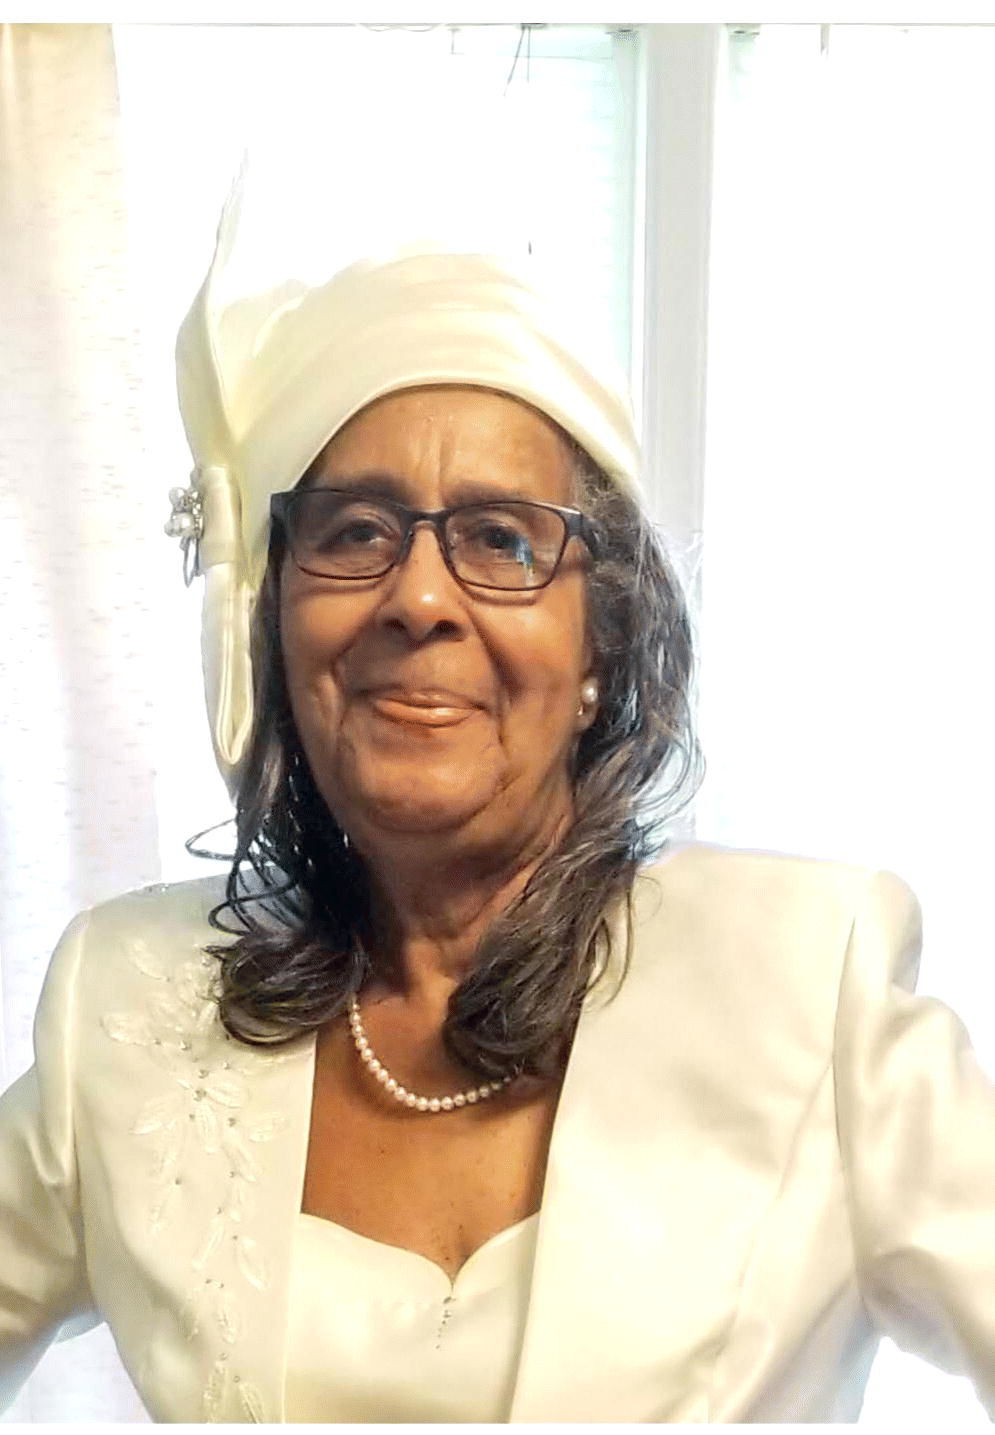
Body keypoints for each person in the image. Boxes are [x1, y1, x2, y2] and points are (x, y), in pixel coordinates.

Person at [2, 196, 995, 1426]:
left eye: (499, 541)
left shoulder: (811, 979)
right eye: (354, 531)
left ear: (600, 646)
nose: (418, 597)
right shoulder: (124, 1002)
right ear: (275, 621)